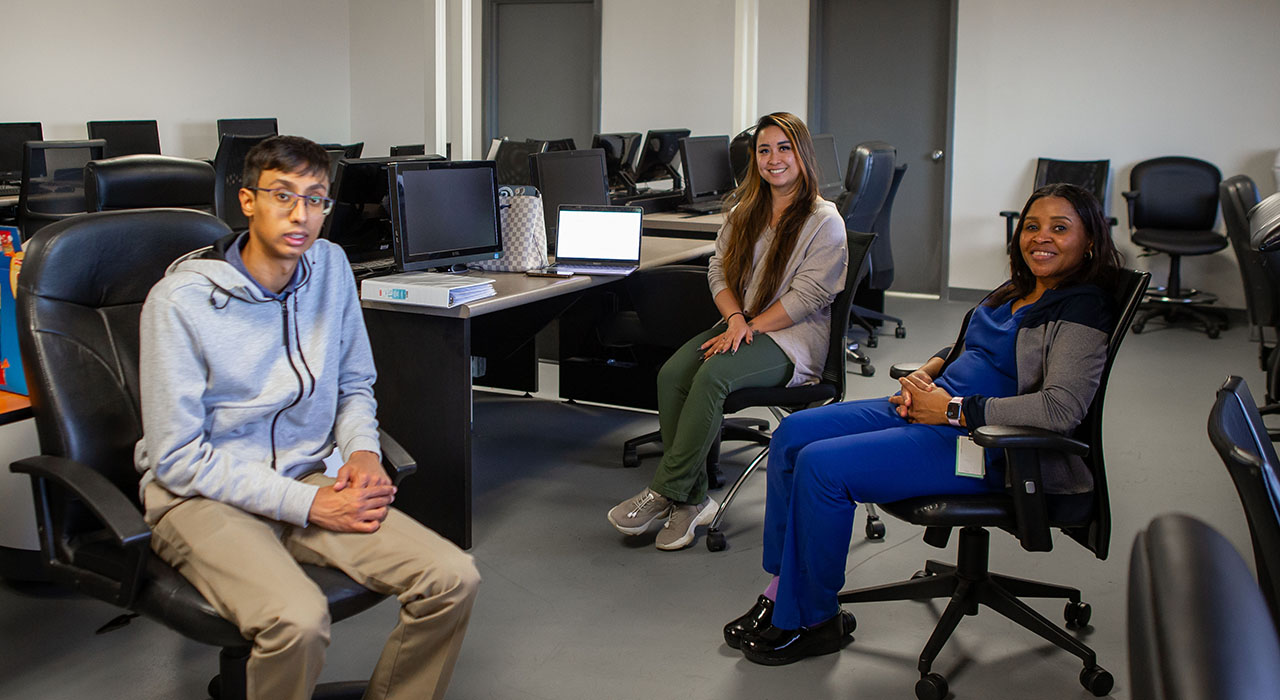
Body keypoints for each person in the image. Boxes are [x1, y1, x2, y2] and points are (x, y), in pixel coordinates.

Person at [134, 135, 480, 700]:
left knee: (452, 578)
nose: (301, 215)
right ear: (248, 201)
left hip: (303, 476)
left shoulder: (330, 266)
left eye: (315, 199)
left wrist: (363, 452)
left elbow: (353, 382)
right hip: (201, 499)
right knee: (296, 619)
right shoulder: (180, 303)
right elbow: (177, 459)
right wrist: (314, 503)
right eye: (283, 195)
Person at [724, 183, 1123, 665]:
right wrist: (929, 371)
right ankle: (782, 589)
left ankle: (812, 618)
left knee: (823, 468)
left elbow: (1061, 409)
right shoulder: (1016, 291)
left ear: (1090, 241)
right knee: (792, 435)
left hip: (989, 445)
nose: (1041, 237)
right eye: (1032, 226)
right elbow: (968, 350)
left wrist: (952, 409)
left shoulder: (1081, 308)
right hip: (933, 410)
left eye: (1061, 228)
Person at [607, 112, 848, 551]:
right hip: (740, 326)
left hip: (791, 338)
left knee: (714, 375)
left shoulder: (823, 220)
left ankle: (664, 491)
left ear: (802, 154)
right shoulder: (744, 212)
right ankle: (693, 500)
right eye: (763, 150)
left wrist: (749, 325)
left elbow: (808, 298)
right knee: (672, 375)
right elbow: (718, 272)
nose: (773, 158)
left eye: (783, 148)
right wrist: (736, 320)